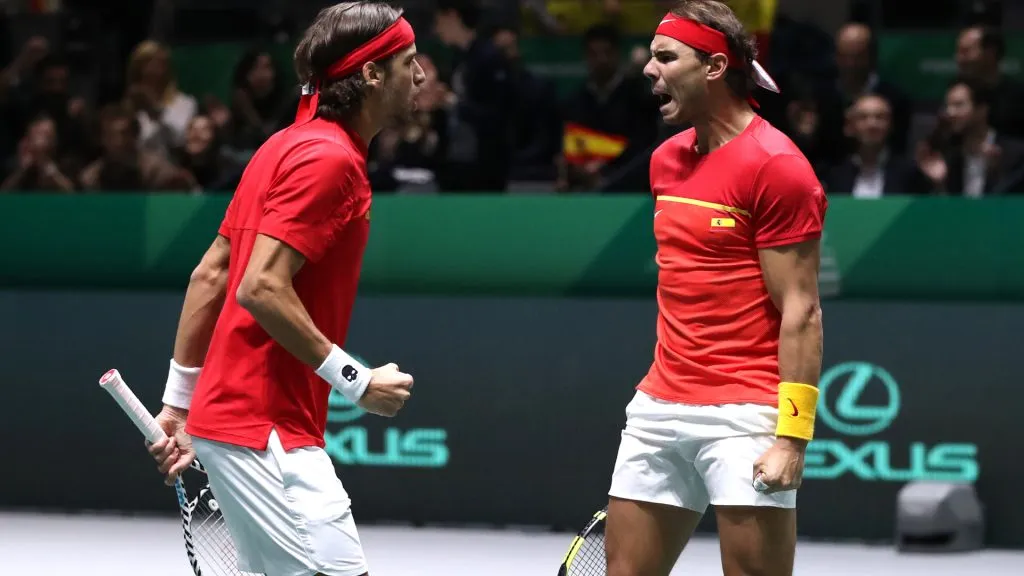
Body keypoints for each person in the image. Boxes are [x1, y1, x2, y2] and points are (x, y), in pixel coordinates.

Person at [145, 3, 426, 576]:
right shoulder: (329, 160)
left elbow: (211, 274)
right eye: (410, 62)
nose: (421, 76)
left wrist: (179, 402)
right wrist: (358, 381)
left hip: (242, 424)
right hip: (267, 430)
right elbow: (259, 287)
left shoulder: (283, 145)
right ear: (372, 74)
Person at [604, 2, 827, 576]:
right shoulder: (664, 161)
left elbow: (800, 311)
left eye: (665, 57)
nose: (649, 70)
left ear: (714, 66)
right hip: (659, 405)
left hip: (744, 414)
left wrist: (792, 438)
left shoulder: (777, 166)